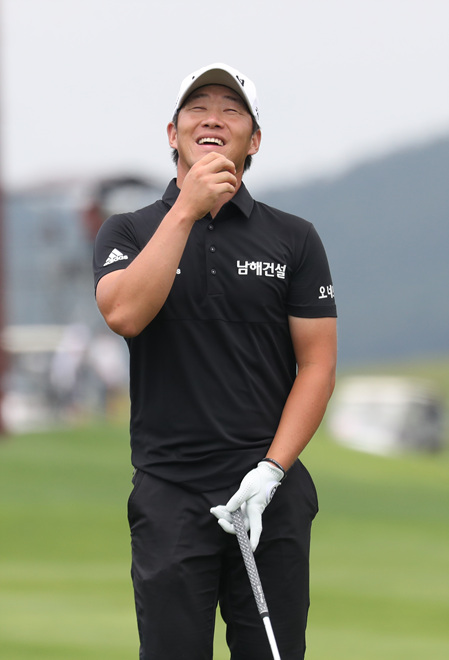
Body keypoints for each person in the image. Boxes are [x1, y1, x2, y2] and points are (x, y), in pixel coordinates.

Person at [93, 63, 337, 660]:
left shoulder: (294, 238)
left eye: (231, 110)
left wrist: (272, 471)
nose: (213, 119)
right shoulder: (128, 230)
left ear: (254, 140)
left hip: (268, 491)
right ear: (172, 133)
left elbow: (318, 367)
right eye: (198, 107)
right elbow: (124, 314)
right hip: (170, 493)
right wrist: (186, 209)